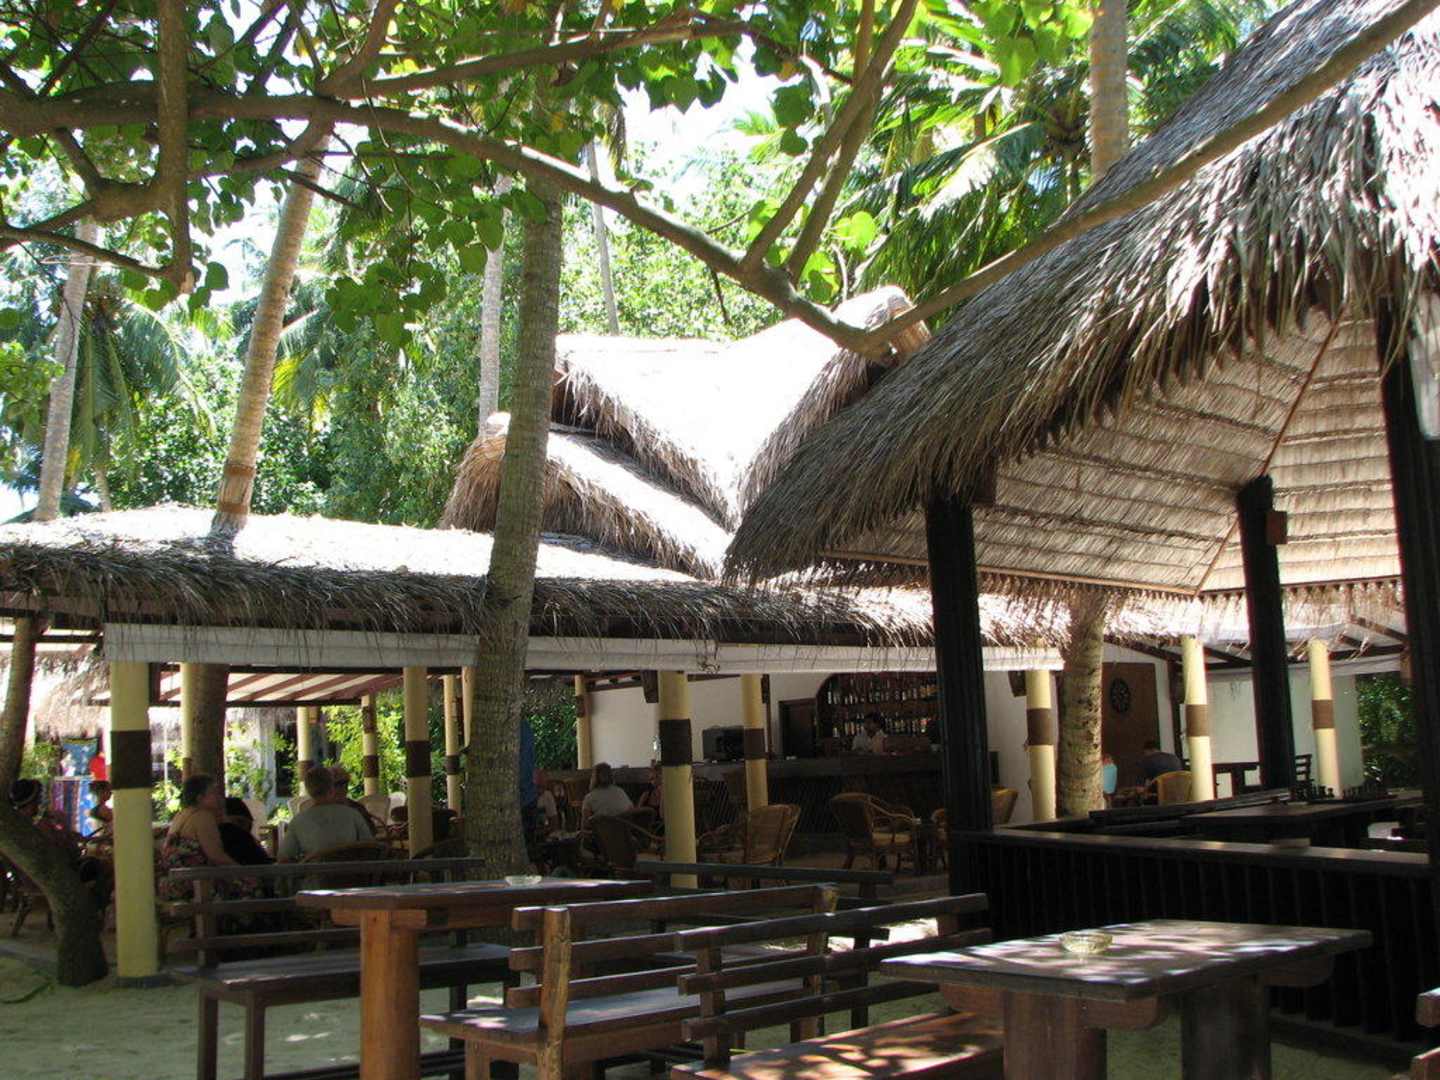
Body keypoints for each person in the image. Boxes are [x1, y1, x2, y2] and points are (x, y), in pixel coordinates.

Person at [279, 767, 372, 861]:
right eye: (339, 784)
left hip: (315, 870)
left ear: (308, 791)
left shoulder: (298, 821)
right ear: (331, 787)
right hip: (350, 869)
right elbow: (371, 848)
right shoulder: (353, 814)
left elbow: (283, 858)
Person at [220, 798, 273, 865]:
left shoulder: (243, 838)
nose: (243, 830)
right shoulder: (238, 836)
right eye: (240, 822)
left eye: (249, 827)